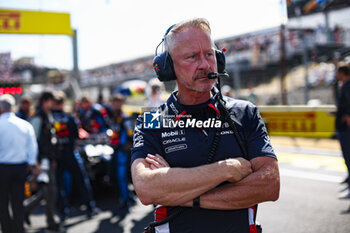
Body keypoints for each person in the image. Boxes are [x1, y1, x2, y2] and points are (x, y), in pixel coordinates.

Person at [131, 18, 280, 233]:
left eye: (209, 54)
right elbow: (146, 188)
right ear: (168, 67)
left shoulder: (245, 112)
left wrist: (179, 191)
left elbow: (270, 185)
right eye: (192, 57)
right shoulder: (151, 120)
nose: (205, 64)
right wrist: (226, 170)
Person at [52, 91, 98, 221]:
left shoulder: (49, 118)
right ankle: (90, 208)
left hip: (57, 156)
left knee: (59, 185)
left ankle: (62, 213)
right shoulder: (70, 117)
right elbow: (77, 135)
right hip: (71, 153)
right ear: (63, 103)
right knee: (82, 181)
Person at [0, 94, 38, 233]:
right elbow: (32, 147)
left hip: (3, 168)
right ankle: (18, 229)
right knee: (18, 202)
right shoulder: (25, 124)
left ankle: (6, 229)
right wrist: (31, 163)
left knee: (2, 203)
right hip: (20, 167)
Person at [27, 91, 61, 231]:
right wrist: (35, 162)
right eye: (52, 101)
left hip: (47, 159)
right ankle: (51, 223)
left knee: (48, 191)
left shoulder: (48, 115)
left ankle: (25, 209)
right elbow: (32, 141)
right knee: (50, 191)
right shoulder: (38, 117)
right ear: (45, 101)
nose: (54, 103)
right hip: (41, 161)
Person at [108, 94, 134, 216]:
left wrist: (127, 145)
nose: (115, 105)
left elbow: (131, 135)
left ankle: (125, 203)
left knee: (121, 177)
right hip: (115, 150)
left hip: (123, 153)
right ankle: (128, 197)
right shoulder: (112, 117)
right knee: (115, 176)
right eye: (114, 102)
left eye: (118, 102)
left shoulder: (125, 117)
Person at [336, 63, 350, 199]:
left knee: (349, 158)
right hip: (343, 127)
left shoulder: (347, 85)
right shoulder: (344, 86)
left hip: (346, 129)